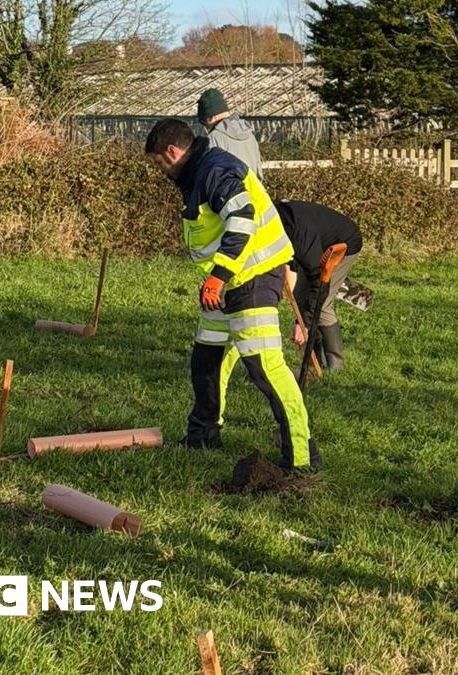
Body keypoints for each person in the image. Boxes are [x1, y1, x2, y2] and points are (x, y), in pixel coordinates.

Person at [144, 119, 319, 471]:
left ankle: (300, 457)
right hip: (227, 280)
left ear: (173, 152)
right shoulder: (198, 172)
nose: (159, 172)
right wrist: (217, 277)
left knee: (263, 367)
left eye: (159, 164)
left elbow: (242, 218)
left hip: (252, 277)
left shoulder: (215, 170)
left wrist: (219, 276)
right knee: (206, 358)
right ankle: (202, 437)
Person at [277, 200, 363, 370]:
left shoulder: (300, 234)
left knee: (322, 304)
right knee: (304, 296)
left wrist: (304, 325)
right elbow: (292, 260)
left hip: (344, 243)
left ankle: (335, 366)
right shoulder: (276, 222)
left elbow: (317, 280)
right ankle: (315, 361)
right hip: (317, 246)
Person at [197, 88, 264, 178]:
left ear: (210, 118)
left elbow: (209, 177)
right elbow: (259, 172)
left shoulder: (213, 139)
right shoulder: (250, 136)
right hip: (253, 190)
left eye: (203, 122)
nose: (206, 127)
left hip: (229, 191)